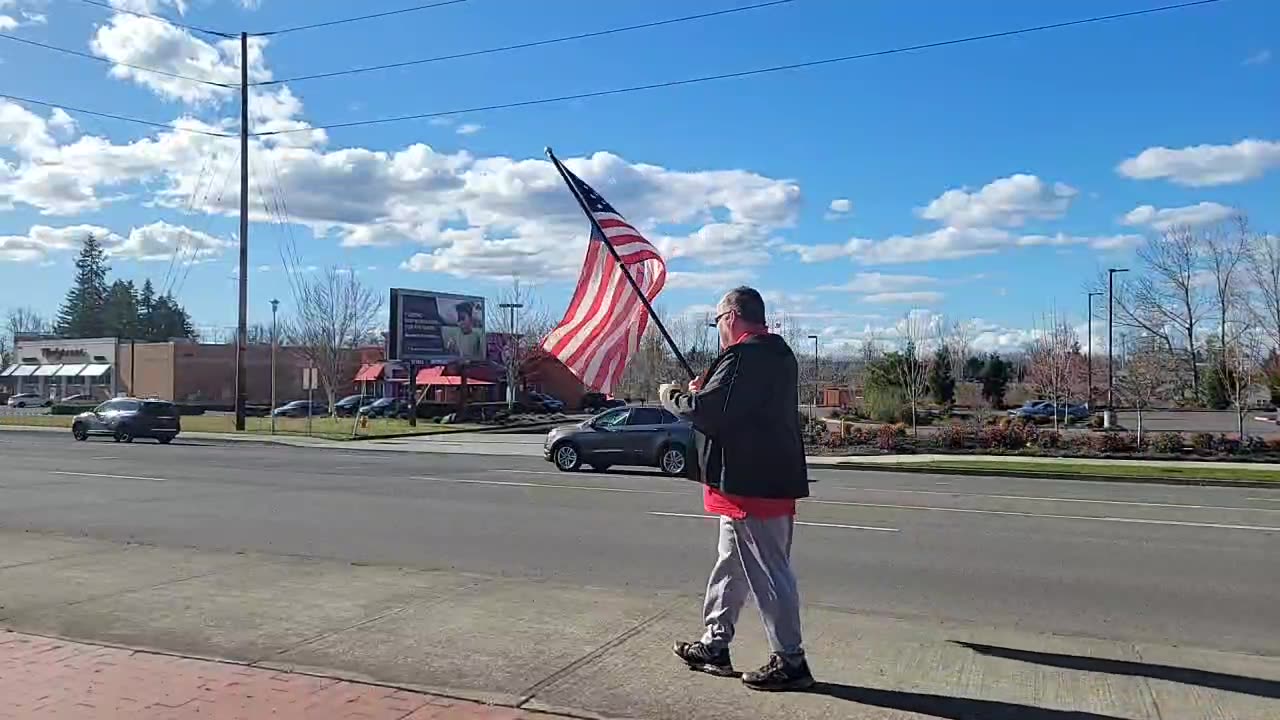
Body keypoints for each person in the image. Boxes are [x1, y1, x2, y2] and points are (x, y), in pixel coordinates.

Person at [659, 286, 813, 692]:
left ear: (730, 317)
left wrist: (673, 396)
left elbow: (708, 412)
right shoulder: (775, 354)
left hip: (752, 484)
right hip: (757, 481)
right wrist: (707, 389)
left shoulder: (746, 357)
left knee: (769, 572)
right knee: (731, 565)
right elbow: (731, 406)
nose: (718, 331)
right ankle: (715, 644)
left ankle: (791, 660)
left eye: (717, 323)